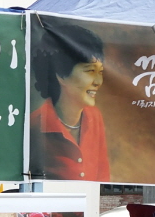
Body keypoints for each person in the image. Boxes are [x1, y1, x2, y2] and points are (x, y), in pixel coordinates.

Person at [28, 20, 110, 181]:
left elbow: (102, 178)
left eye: (100, 72)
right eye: (90, 71)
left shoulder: (94, 117)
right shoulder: (36, 125)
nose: (98, 81)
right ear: (61, 75)